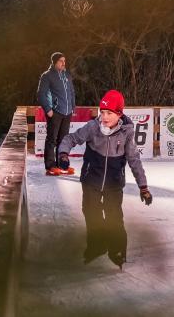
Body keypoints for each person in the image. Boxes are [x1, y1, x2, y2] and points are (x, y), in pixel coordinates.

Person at [58, 90, 151, 268]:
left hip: (114, 183)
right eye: (102, 112)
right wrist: (63, 154)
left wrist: (143, 186)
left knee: (114, 217)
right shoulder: (93, 127)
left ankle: (117, 250)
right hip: (91, 179)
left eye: (110, 113)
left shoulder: (126, 133)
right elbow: (71, 138)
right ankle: (97, 245)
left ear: (119, 114)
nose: (105, 117)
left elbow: (134, 160)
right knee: (91, 213)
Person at [37, 51, 77, 175]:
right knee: (52, 140)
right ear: (54, 62)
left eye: (64, 61)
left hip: (67, 112)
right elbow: (41, 94)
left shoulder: (67, 75)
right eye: (61, 61)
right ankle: (50, 166)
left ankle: (62, 164)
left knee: (63, 140)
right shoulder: (47, 76)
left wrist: (72, 107)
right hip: (55, 112)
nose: (63, 63)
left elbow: (71, 92)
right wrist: (48, 109)